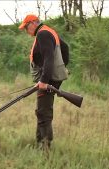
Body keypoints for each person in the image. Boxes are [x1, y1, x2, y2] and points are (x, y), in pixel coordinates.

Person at [19, 14, 69, 149]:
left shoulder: (43, 34)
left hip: (49, 80)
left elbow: (48, 58)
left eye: (26, 27)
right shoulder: (48, 31)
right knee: (42, 110)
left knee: (43, 113)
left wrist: (44, 81)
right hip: (51, 78)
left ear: (33, 23)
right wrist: (64, 67)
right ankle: (40, 142)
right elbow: (65, 48)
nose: (26, 30)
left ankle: (45, 147)